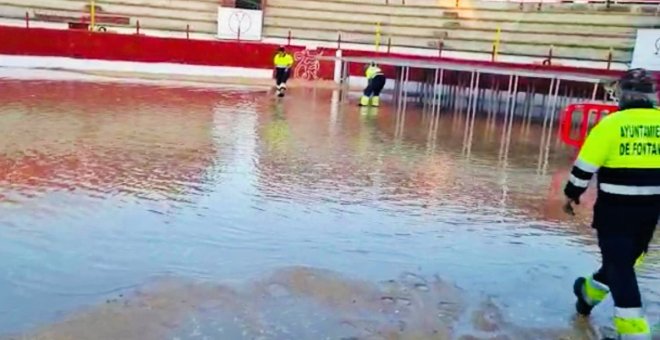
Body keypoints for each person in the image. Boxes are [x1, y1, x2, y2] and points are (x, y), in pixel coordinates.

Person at [564, 68, 659, 340]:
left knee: (620, 267)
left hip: (615, 213)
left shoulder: (610, 125)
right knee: (621, 264)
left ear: (622, 95)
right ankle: (587, 295)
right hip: (650, 213)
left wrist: (572, 195)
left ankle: (635, 334)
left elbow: (583, 169)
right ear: (652, 95)